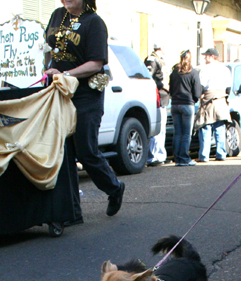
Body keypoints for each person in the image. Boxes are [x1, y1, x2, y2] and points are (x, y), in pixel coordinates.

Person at [44, 0, 126, 216]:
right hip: (59, 93)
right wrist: (48, 67)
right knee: (63, 151)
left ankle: (114, 188)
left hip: (85, 94)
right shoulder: (56, 15)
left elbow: (97, 63)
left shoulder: (94, 22)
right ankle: (71, 209)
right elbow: (48, 49)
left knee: (85, 150)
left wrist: (66, 75)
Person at [195, 48, 232, 162]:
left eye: (206, 56)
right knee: (220, 127)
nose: (205, 58)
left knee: (206, 127)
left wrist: (200, 95)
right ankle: (221, 153)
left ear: (211, 56)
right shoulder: (225, 69)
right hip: (221, 99)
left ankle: (204, 155)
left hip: (209, 99)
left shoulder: (205, 69)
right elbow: (229, 87)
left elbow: (201, 85)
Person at [168, 50, 202, 167]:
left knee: (177, 133)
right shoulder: (193, 73)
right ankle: (184, 158)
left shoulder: (174, 72)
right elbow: (197, 92)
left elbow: (171, 89)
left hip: (175, 104)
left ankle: (177, 158)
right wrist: (194, 99)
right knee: (187, 134)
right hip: (187, 104)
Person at [145, 44, 169, 167]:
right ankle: (154, 156)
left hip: (163, 98)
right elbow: (149, 77)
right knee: (157, 130)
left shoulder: (160, 60)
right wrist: (162, 85)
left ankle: (160, 154)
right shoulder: (152, 60)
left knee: (162, 130)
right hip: (157, 97)